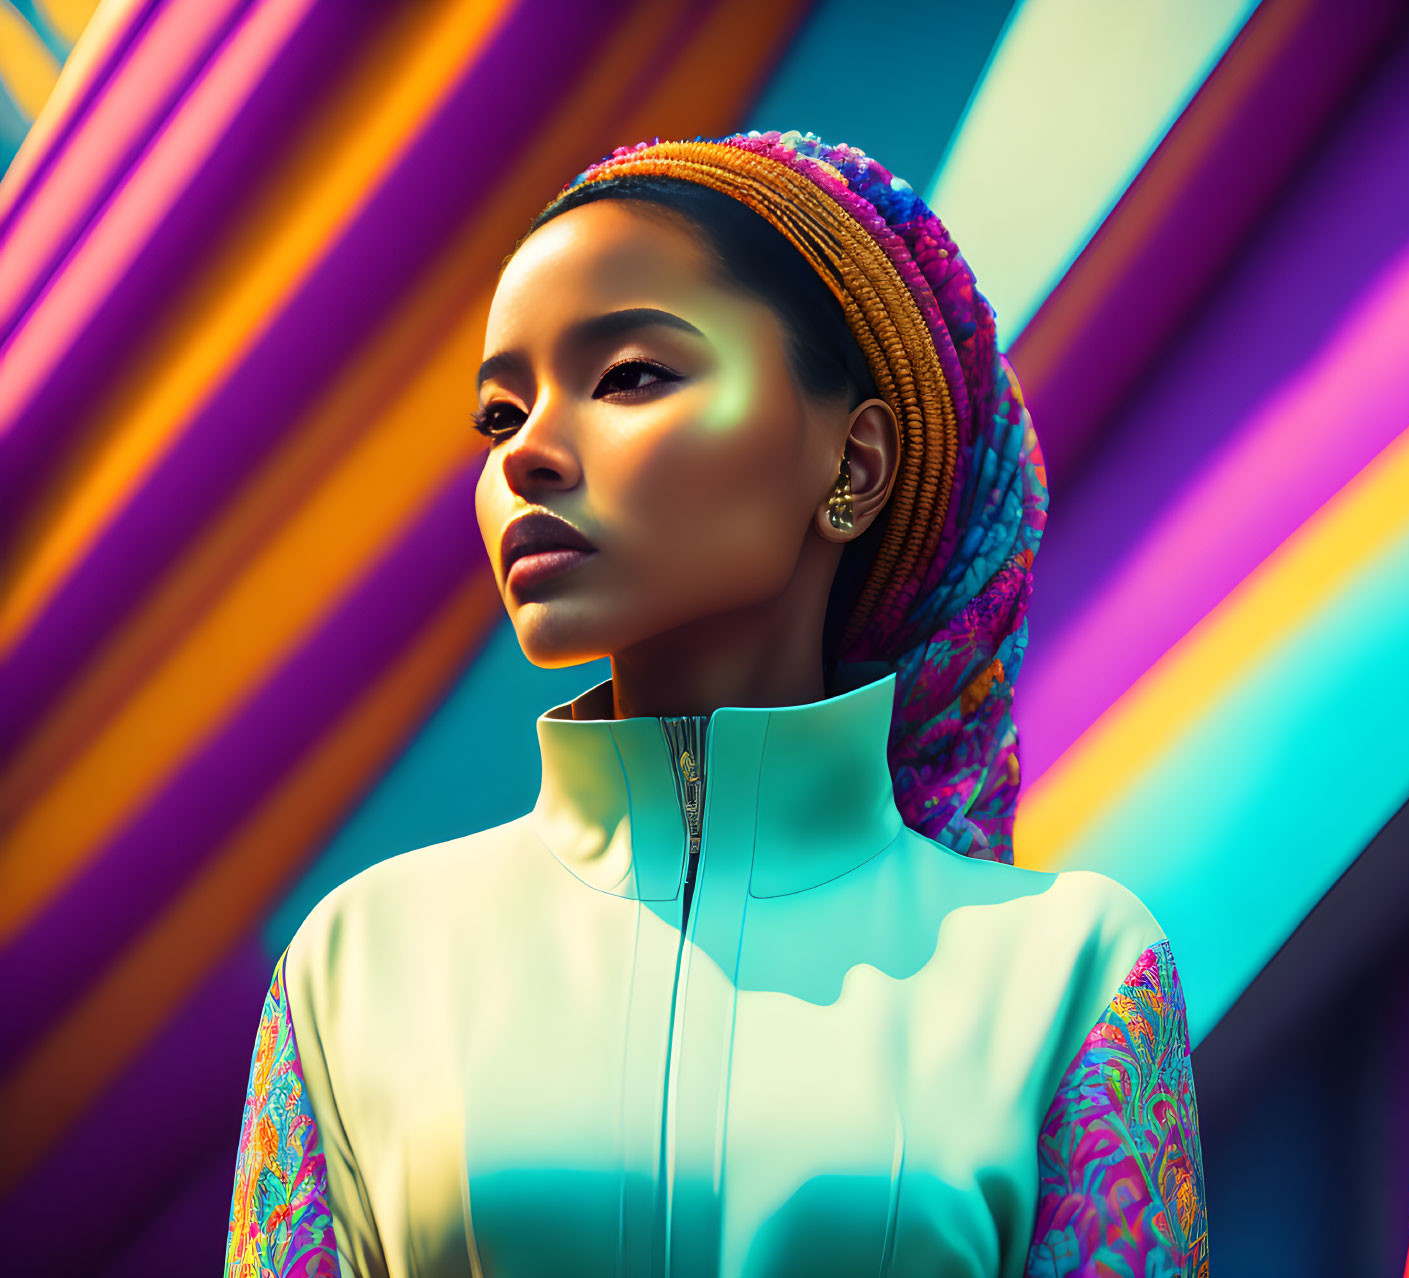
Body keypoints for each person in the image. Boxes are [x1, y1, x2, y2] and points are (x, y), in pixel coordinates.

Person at [223, 128, 1207, 1278]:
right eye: (499, 414)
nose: (527, 454)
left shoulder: (1068, 975)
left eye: (630, 374)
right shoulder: (356, 963)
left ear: (854, 467)